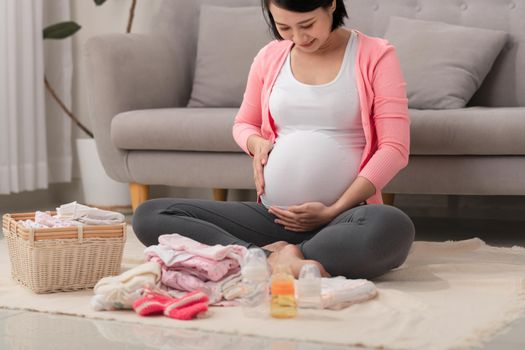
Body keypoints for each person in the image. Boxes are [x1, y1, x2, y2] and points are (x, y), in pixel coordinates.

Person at [132, 0, 415, 280]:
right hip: (274, 216)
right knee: (150, 214)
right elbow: (244, 124)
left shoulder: (376, 54)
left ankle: (278, 256)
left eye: (307, 25)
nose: (299, 38)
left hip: (345, 217)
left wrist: (334, 209)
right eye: (284, 27)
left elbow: (394, 149)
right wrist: (256, 144)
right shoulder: (270, 57)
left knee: (392, 226)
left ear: (331, 5)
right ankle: (269, 257)